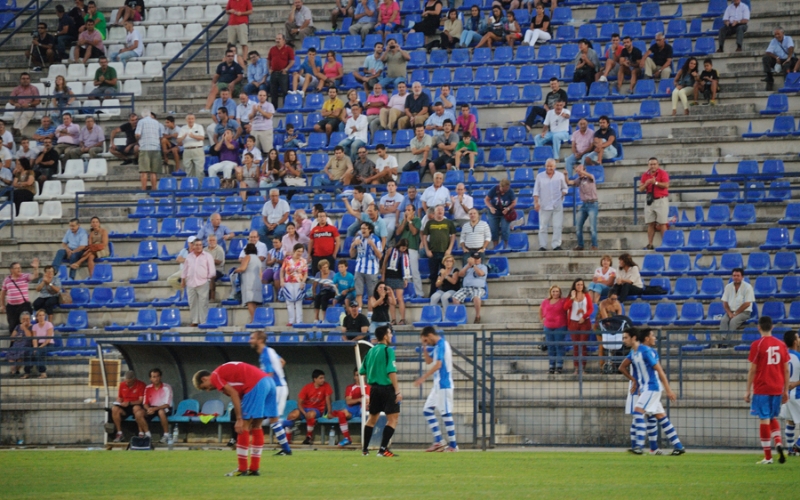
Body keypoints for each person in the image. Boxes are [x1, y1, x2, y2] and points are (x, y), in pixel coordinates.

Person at [194, 360, 292, 475]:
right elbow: (239, 395)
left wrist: (239, 419)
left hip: (255, 384)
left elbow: (234, 394)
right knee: (256, 426)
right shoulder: (223, 373)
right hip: (269, 382)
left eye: (204, 387)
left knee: (243, 427)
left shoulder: (215, 376)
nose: (207, 390)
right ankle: (254, 469)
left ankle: (242, 469)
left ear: (204, 379)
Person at [622, 328, 685, 456]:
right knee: (661, 417)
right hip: (646, 388)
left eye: (625, 337)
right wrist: (635, 381)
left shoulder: (645, 351)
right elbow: (622, 367)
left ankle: (638, 446)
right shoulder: (634, 352)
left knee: (638, 412)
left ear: (634, 338)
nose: (623, 340)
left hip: (652, 388)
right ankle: (678, 446)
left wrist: (668, 390)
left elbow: (660, 370)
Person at [745, 316, 790, 464]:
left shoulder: (757, 345)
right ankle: (778, 442)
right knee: (772, 417)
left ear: (759, 327)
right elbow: (786, 370)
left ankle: (768, 457)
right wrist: (785, 390)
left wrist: (747, 390)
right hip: (777, 387)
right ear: (772, 327)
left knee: (764, 419)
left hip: (762, 386)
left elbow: (753, 369)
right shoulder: (781, 345)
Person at [247, 332, 293, 455]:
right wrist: (278, 372)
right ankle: (286, 449)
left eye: (252, 338)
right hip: (277, 386)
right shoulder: (270, 351)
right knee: (271, 420)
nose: (249, 341)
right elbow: (282, 361)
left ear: (260, 340)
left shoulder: (265, 355)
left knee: (272, 420)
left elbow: (269, 375)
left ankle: (290, 424)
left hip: (277, 388)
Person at [414, 326, 458, 452]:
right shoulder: (437, 346)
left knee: (445, 413)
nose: (427, 343)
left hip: (444, 384)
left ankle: (453, 445)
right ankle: (439, 441)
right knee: (427, 410)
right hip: (437, 385)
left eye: (426, 340)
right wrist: (424, 348)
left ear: (430, 335)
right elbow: (429, 361)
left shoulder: (442, 345)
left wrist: (423, 377)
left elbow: (438, 365)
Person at [359, 325, 401, 456]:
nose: (391, 335)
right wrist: (397, 391)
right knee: (393, 419)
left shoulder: (370, 351)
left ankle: (365, 450)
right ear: (385, 336)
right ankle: (382, 450)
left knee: (372, 418)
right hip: (387, 389)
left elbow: (362, 371)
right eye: (389, 333)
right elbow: (391, 371)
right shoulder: (388, 351)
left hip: (374, 389)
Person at [282, 369, 333, 445]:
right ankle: (287, 439)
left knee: (310, 414)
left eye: (323, 378)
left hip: (317, 410)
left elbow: (328, 401)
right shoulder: (307, 387)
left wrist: (329, 413)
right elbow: (299, 403)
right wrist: (304, 413)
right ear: (315, 379)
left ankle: (309, 437)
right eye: (321, 378)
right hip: (304, 409)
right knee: (292, 415)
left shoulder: (326, 386)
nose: (323, 380)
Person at [422, 205, 456, 296]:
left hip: (445, 253)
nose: (440, 211)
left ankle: (444, 292)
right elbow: (424, 237)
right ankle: (432, 293)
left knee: (445, 273)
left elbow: (453, 236)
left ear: (444, 211)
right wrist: (427, 250)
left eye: (442, 209)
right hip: (433, 252)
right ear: (434, 212)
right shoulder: (430, 223)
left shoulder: (448, 222)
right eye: (438, 210)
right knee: (433, 275)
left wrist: (449, 249)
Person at [533, 159, 567, 251]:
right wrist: (536, 202)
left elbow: (565, 188)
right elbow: (536, 191)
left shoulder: (560, 176)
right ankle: (542, 245)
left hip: (557, 204)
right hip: (544, 205)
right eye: (547, 166)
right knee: (543, 227)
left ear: (554, 167)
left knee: (557, 226)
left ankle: (556, 245)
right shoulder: (540, 176)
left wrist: (563, 194)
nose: (549, 168)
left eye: (551, 166)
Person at [181, 238, 216, 327]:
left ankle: (203, 321)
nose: (198, 247)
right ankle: (195, 321)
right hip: (190, 282)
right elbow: (185, 269)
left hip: (203, 282)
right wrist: (183, 280)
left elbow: (212, 270)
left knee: (203, 303)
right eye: (196, 245)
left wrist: (207, 279)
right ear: (193, 246)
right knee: (192, 302)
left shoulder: (207, 256)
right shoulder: (189, 256)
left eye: (200, 245)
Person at [0, 259, 39, 334]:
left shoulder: (25, 276)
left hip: (23, 305)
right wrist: (2, 305)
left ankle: (27, 339)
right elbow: (3, 292)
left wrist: (35, 268)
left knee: (25, 323)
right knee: (12, 325)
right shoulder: (7, 280)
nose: (19, 269)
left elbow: (35, 276)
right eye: (17, 268)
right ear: (12, 270)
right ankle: (14, 340)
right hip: (11, 307)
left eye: (20, 267)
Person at [563, 278, 593, 374]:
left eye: (581, 284)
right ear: (574, 286)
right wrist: (572, 298)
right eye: (578, 284)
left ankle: (583, 368)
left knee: (583, 344)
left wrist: (584, 317)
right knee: (575, 345)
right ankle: (576, 368)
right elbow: (565, 307)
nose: (580, 286)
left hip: (585, 322)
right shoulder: (570, 296)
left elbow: (591, 309)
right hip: (573, 322)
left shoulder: (586, 295)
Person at [718, 267, 755, 344]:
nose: (736, 277)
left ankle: (726, 342)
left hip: (744, 312)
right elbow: (725, 302)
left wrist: (736, 313)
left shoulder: (748, 287)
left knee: (733, 321)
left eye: (738, 276)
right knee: (724, 320)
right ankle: (722, 339)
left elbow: (747, 303)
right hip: (731, 311)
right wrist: (729, 313)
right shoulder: (728, 287)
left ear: (742, 277)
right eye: (734, 275)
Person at [639, 157, 669, 250]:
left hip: (661, 200)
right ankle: (650, 244)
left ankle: (664, 243)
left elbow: (666, 185)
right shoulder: (645, 175)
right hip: (650, 200)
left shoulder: (663, 173)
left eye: (654, 164)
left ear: (658, 165)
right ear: (648, 165)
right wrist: (646, 184)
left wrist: (655, 182)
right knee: (650, 223)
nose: (653, 166)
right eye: (651, 164)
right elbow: (640, 189)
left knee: (663, 223)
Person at [351, 221, 383, 308]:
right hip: (359, 268)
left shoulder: (376, 239)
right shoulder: (358, 239)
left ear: (370, 230)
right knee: (358, 294)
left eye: (364, 228)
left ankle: (370, 314)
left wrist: (373, 246)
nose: (362, 230)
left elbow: (380, 256)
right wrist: (353, 245)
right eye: (361, 228)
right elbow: (351, 255)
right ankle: (359, 312)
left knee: (371, 295)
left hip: (371, 270)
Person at [568, 164, 599, 251]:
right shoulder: (579, 180)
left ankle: (594, 245)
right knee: (578, 226)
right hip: (584, 204)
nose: (579, 172)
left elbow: (590, 176)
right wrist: (566, 175)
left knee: (592, 227)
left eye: (580, 170)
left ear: (584, 170)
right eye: (578, 171)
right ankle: (580, 245)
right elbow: (570, 182)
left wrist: (581, 171)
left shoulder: (590, 177)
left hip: (593, 203)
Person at [111, 371, 147, 443]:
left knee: (136, 409)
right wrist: (119, 400)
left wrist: (129, 403)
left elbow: (141, 400)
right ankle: (119, 433)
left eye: (129, 382)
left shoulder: (141, 385)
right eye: (126, 382)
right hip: (125, 405)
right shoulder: (122, 385)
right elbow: (120, 397)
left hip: (135, 404)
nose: (127, 383)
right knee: (114, 409)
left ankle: (141, 433)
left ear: (134, 380)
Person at [381, 239, 410, 324]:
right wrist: (383, 276)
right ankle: (393, 319)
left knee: (400, 298)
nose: (403, 249)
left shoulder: (405, 254)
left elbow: (406, 267)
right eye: (402, 247)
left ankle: (402, 319)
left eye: (405, 248)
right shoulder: (391, 250)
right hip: (389, 276)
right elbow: (384, 263)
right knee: (390, 299)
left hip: (399, 278)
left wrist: (406, 279)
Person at [453, 252, 487, 324]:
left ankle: (477, 316)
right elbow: (460, 274)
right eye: (474, 258)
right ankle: (459, 316)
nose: (476, 260)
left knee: (476, 297)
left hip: (478, 288)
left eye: (478, 258)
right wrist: (468, 266)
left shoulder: (483, 267)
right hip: (466, 288)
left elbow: (480, 274)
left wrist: (474, 265)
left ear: (480, 259)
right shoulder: (467, 266)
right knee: (455, 297)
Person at [781, 330, 800, 456]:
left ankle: (790, 450)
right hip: (797, 394)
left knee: (790, 421)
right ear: (794, 342)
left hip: (785, 394)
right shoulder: (798, 357)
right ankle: (798, 444)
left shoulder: (782, 356)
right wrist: (796, 383)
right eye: (798, 338)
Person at [540, 285, 567, 374]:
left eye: (557, 291)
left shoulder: (563, 301)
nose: (555, 293)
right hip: (548, 326)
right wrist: (541, 319)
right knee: (550, 346)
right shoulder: (545, 301)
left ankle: (559, 366)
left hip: (560, 326)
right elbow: (540, 309)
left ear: (560, 292)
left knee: (559, 345)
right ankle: (551, 366)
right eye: (553, 291)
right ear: (550, 292)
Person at [142, 368, 173, 444]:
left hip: (163, 408)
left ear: (160, 377)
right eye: (154, 377)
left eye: (157, 376)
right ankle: (147, 435)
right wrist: (148, 409)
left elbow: (167, 404)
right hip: (152, 408)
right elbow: (145, 403)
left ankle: (166, 435)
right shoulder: (148, 388)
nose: (156, 379)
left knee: (161, 412)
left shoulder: (167, 387)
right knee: (139, 413)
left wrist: (155, 409)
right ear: (150, 378)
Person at [485, 179, 517, 250]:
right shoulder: (494, 189)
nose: (504, 192)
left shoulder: (510, 191)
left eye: (506, 190)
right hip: (494, 213)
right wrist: (490, 207)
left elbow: (514, 202)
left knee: (505, 229)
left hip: (505, 213)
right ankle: (496, 246)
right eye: (503, 190)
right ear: (500, 186)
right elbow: (486, 199)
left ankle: (505, 246)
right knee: (493, 229)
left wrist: (508, 208)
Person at [280, 243, 307, 326]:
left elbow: (305, 274)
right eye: (298, 251)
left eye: (301, 251)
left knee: (299, 302)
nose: (300, 253)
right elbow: (282, 271)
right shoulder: (287, 260)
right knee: (289, 302)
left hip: (299, 283)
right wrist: (282, 280)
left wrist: (303, 282)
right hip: (288, 283)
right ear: (294, 250)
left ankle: (299, 321)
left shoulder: (303, 261)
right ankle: (291, 321)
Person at [134, 109, 162, 190]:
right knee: (153, 172)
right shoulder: (157, 123)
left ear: (142, 115)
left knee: (144, 172)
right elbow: (160, 136)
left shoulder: (141, 122)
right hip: (156, 148)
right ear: (150, 114)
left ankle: (143, 190)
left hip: (145, 148)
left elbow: (138, 134)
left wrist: (137, 139)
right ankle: (154, 189)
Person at [267, 34, 295, 108]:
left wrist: (286, 69)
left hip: (283, 73)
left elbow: (292, 61)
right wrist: (269, 68)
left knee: (285, 91)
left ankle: (285, 107)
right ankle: (273, 108)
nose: (277, 40)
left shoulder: (288, 49)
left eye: (279, 39)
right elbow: (269, 60)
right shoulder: (272, 49)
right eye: (276, 39)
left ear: (284, 40)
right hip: (274, 73)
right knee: (273, 92)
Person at [26, 309, 53, 379]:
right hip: (38, 343)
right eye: (40, 315)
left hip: (48, 344)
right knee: (30, 353)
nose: (41, 317)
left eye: (43, 315)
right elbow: (34, 338)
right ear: (37, 317)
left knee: (37, 353)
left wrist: (40, 347)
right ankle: (27, 372)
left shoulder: (49, 324)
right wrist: (35, 347)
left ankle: (43, 372)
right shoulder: (35, 326)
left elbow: (48, 339)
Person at [176, 114, 205, 179]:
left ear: (194, 119)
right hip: (187, 150)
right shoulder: (183, 128)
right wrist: (183, 137)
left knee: (199, 171)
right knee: (188, 171)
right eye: (189, 119)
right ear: (186, 120)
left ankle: (200, 185)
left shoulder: (199, 127)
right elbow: (178, 140)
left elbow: (202, 138)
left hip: (198, 149)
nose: (190, 120)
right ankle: (190, 185)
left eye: (192, 119)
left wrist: (193, 136)